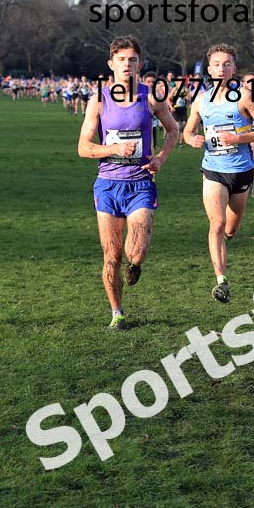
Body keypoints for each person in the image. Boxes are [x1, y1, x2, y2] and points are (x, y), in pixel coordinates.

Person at [77, 35, 179, 330]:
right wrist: (114, 149)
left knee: (136, 253)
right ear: (111, 64)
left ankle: (135, 265)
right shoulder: (99, 100)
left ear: (140, 64)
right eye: (121, 59)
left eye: (132, 60)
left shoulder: (151, 97)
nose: (126, 64)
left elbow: (173, 131)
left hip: (141, 184)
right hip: (108, 184)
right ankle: (117, 313)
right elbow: (83, 147)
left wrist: (161, 158)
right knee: (112, 255)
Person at [183, 43, 254, 303]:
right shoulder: (201, 100)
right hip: (213, 170)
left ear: (234, 68)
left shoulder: (244, 97)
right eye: (216, 64)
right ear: (209, 69)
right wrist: (191, 139)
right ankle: (221, 281)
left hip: (241, 171)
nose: (221, 69)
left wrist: (237, 138)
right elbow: (188, 131)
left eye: (226, 64)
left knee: (230, 230)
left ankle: (227, 240)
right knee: (217, 224)